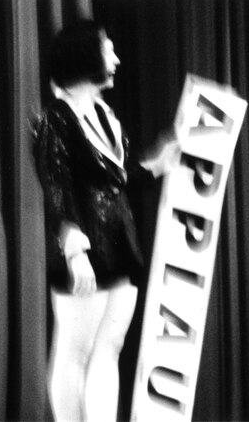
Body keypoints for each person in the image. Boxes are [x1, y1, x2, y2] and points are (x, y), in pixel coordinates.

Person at [31, 21, 180, 421]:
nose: (115, 59)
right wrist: (75, 251)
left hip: (121, 245)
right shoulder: (55, 119)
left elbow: (121, 177)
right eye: (107, 50)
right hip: (85, 251)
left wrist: (159, 165)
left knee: (109, 347)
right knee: (74, 351)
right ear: (84, 58)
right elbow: (56, 187)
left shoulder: (104, 115)